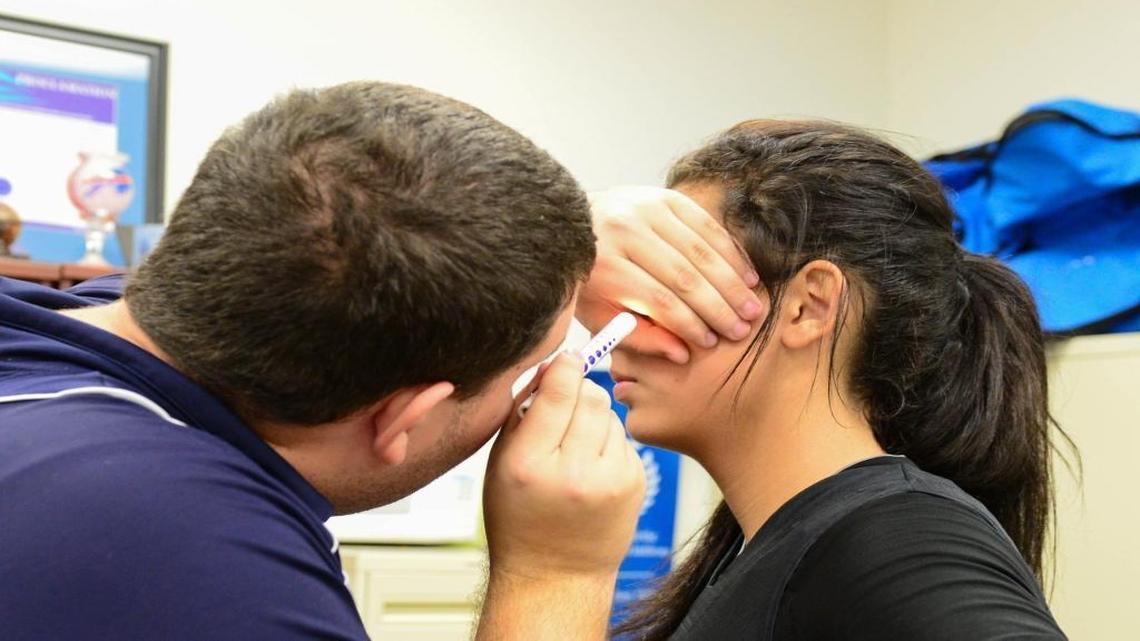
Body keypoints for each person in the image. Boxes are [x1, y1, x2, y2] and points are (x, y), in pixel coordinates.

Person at [0, 82, 765, 640]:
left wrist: (531, 237)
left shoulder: (62, 327)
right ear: (407, 415)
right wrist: (555, 576)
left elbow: (344, 217)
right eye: (530, 374)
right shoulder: (207, 572)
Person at [608, 120, 1071, 640]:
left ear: (810, 306)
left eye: (668, 289)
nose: (619, 326)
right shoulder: (769, 543)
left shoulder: (899, 537)